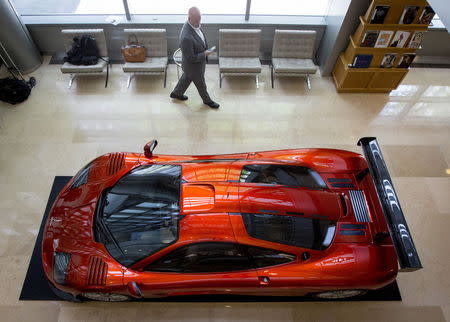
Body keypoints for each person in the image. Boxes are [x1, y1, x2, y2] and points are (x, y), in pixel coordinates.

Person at [170, 7, 219, 109]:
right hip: (194, 66)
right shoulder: (186, 37)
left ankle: (176, 93)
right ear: (189, 18)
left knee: (186, 78)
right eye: (197, 20)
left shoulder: (193, 24)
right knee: (201, 84)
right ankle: (207, 100)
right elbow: (191, 58)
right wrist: (205, 54)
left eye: (199, 19)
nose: (199, 22)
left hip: (189, 67)